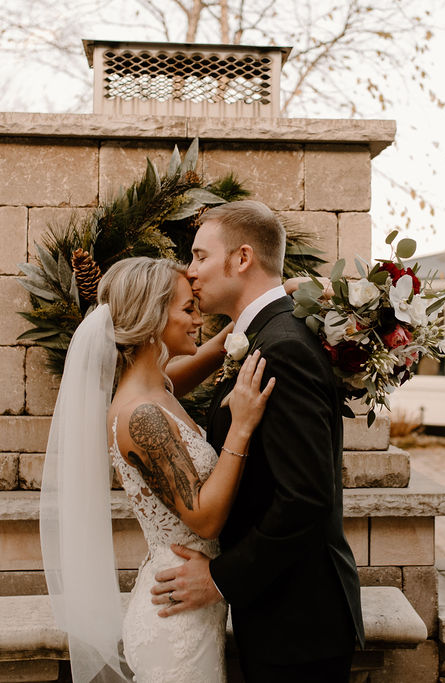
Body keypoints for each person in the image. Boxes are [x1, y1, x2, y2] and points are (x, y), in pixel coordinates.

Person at [151, 200, 365, 682]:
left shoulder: (282, 346)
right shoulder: (265, 333)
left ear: (242, 258)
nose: (191, 271)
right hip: (280, 611)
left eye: (201, 256)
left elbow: (307, 497)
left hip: (299, 623)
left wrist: (219, 580)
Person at [40, 256, 275, 683]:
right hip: (175, 619)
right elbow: (203, 519)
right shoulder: (140, 416)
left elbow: (182, 373)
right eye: (188, 309)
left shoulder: (155, 386)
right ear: (151, 319)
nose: (198, 318)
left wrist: (245, 318)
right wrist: (241, 427)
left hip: (189, 602)